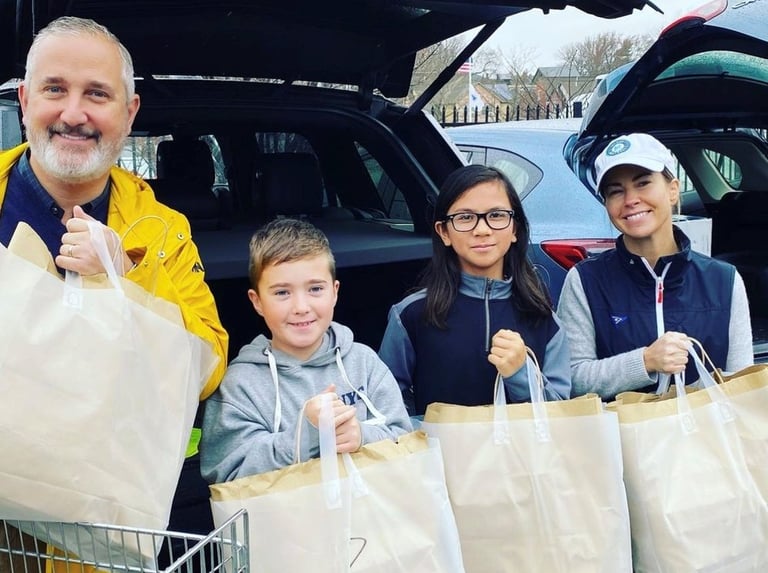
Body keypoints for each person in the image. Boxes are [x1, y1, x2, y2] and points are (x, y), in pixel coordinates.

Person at [0, 16, 228, 571]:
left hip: (99, 518)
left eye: (97, 94)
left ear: (128, 113)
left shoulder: (162, 228)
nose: (74, 113)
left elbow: (207, 364)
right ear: (26, 100)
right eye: (55, 89)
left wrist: (124, 278)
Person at [200, 218, 412, 482]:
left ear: (334, 292)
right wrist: (308, 434)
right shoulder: (240, 385)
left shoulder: (364, 363)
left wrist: (362, 437)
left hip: (369, 518)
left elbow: (407, 442)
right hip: (284, 522)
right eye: (281, 293)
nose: (301, 306)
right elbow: (226, 475)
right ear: (257, 302)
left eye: (315, 289)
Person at [556, 133, 753, 400]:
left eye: (643, 183)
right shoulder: (584, 281)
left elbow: (742, 384)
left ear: (673, 190)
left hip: (705, 439)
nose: (630, 199)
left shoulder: (724, 280)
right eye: (615, 191)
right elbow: (573, 379)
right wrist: (645, 361)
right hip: (620, 439)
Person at [378, 164, 571, 417]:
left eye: (497, 215)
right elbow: (384, 406)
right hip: (440, 454)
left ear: (515, 228)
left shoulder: (545, 320)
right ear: (444, 232)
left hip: (522, 456)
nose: (482, 229)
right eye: (465, 217)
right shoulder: (411, 315)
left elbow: (563, 415)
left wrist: (522, 373)